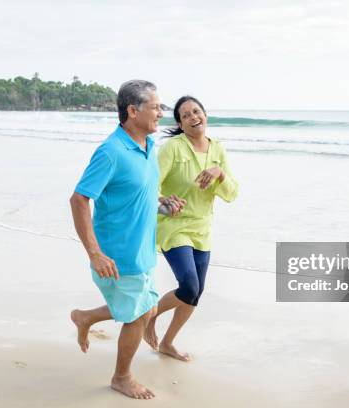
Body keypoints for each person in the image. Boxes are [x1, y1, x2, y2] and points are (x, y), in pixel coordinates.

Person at [69, 80, 184, 400]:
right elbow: (79, 200)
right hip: (117, 256)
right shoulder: (111, 152)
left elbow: (138, 193)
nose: (162, 113)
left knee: (144, 310)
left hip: (143, 250)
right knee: (138, 315)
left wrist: (163, 204)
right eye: (156, 107)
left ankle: (86, 317)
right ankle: (122, 377)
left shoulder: (149, 147)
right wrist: (95, 253)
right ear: (133, 111)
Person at [144, 96, 238, 361]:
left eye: (196, 111)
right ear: (180, 124)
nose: (193, 117)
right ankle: (151, 313)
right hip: (174, 226)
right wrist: (164, 200)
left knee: (195, 294)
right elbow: (151, 186)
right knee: (188, 286)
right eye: (186, 115)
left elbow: (232, 194)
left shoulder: (217, 149)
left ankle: (167, 343)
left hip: (202, 228)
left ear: (205, 115)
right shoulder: (173, 148)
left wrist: (219, 173)